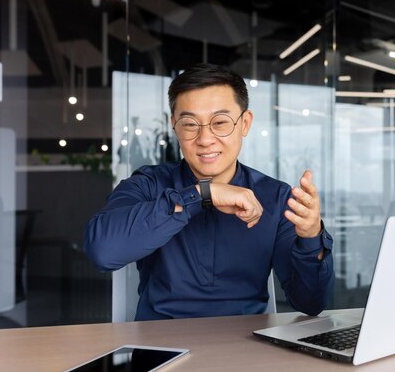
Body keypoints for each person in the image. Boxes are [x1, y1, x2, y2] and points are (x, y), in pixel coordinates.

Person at [84, 64, 334, 321]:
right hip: (161, 348)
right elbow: (102, 252)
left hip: (247, 349)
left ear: (244, 123)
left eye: (220, 122)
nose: (205, 139)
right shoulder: (148, 184)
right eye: (190, 124)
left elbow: (310, 303)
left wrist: (311, 237)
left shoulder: (276, 197)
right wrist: (202, 195)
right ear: (174, 126)